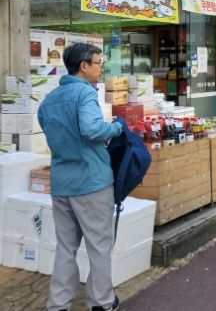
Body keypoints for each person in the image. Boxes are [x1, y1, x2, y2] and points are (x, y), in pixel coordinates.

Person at [38, 43, 123, 311]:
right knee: (99, 246)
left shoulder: (49, 100)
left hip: (62, 184)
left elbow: (50, 131)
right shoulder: (85, 92)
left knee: (65, 248)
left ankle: (58, 305)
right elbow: (92, 128)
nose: (101, 68)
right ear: (84, 66)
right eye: (98, 63)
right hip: (91, 183)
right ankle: (102, 302)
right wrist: (117, 127)